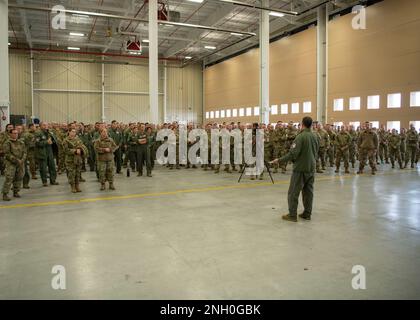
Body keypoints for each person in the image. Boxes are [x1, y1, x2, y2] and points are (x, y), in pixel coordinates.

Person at [271, 117, 319, 222]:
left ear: (302, 124)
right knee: (308, 192)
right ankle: (307, 213)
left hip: (300, 169)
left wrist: (279, 160)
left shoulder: (300, 137)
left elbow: (293, 154)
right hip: (311, 168)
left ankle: (292, 215)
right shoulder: (315, 136)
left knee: (293, 192)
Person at [2, 129, 27, 201]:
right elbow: (7, 154)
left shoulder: (21, 142)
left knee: (19, 177)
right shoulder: (7, 143)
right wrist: (16, 160)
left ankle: (16, 191)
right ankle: (5, 194)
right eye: (14, 133)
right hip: (11, 163)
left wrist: (22, 160)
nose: (16, 134)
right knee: (9, 178)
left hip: (20, 163)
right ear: (10, 134)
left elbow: (25, 152)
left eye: (17, 133)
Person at [63, 128, 88, 193]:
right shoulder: (66, 140)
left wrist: (81, 149)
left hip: (78, 159)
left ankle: (77, 186)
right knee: (71, 173)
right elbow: (65, 150)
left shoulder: (78, 139)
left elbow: (82, 146)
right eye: (72, 131)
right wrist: (75, 151)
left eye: (74, 132)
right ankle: (72, 186)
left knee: (77, 173)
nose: (73, 133)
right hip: (70, 160)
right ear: (69, 132)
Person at [35, 122, 59, 186]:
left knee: (52, 167)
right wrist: (46, 142)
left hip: (50, 152)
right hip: (42, 152)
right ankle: (44, 181)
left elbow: (54, 140)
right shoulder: (38, 133)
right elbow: (37, 143)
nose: (46, 126)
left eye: (47, 125)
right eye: (44, 125)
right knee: (43, 168)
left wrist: (53, 141)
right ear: (40, 126)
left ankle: (53, 180)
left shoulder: (50, 132)